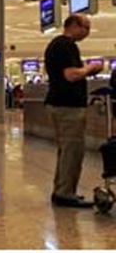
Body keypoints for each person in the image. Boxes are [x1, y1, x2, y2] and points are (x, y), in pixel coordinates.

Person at [44, 14, 103, 208]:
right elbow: (71, 75)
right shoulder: (66, 45)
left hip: (59, 104)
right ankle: (65, 194)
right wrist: (91, 68)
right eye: (86, 28)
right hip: (67, 107)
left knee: (67, 150)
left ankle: (61, 190)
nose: (87, 32)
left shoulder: (57, 45)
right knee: (73, 151)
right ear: (75, 26)